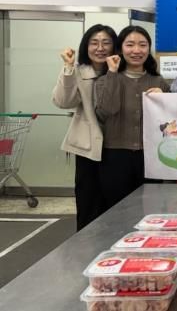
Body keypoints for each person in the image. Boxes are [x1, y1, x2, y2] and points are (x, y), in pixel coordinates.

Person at [94, 25, 170, 211]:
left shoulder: (159, 81)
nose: (136, 50)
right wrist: (112, 73)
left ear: (149, 49)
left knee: (151, 209)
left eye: (142, 45)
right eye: (130, 45)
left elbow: (171, 122)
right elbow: (106, 111)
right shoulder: (105, 79)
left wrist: (164, 99)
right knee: (117, 211)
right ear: (120, 49)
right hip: (115, 155)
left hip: (151, 156)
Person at [51, 24, 117, 230]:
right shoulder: (77, 72)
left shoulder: (120, 72)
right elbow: (63, 102)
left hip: (117, 147)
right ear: (86, 46)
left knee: (115, 204)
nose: (100, 48)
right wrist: (68, 68)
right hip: (87, 149)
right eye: (94, 43)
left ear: (114, 46)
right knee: (88, 204)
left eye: (106, 43)